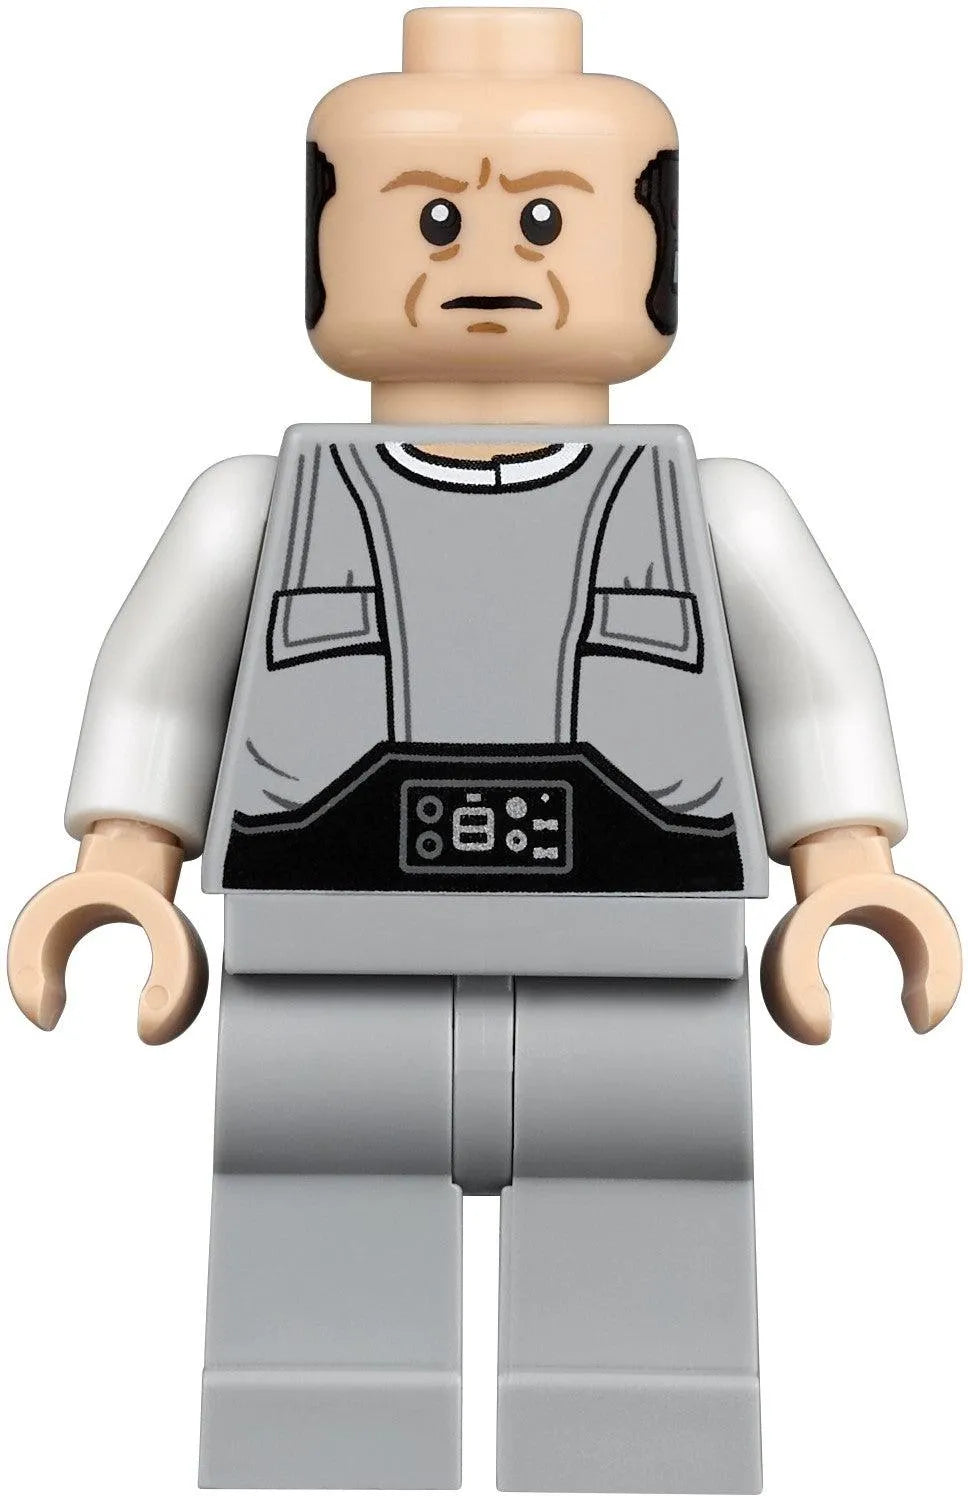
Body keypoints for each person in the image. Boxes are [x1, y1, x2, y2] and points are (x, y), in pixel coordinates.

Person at [8, 9, 960, 1492]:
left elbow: (812, 698)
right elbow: (163, 692)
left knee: (646, 1319)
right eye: (437, 220)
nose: (490, 263)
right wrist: (122, 865)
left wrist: (849, 869)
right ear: (326, 246)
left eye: (544, 220)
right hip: (326, 981)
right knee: (315, 1311)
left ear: (654, 249)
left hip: (641, 985)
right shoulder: (254, 507)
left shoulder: (721, 511)